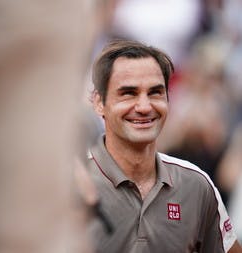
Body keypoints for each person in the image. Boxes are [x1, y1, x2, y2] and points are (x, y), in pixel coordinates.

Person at [86, 39, 242, 252]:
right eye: (128, 93)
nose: (144, 106)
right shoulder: (68, 186)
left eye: (155, 92)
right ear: (99, 102)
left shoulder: (196, 185)